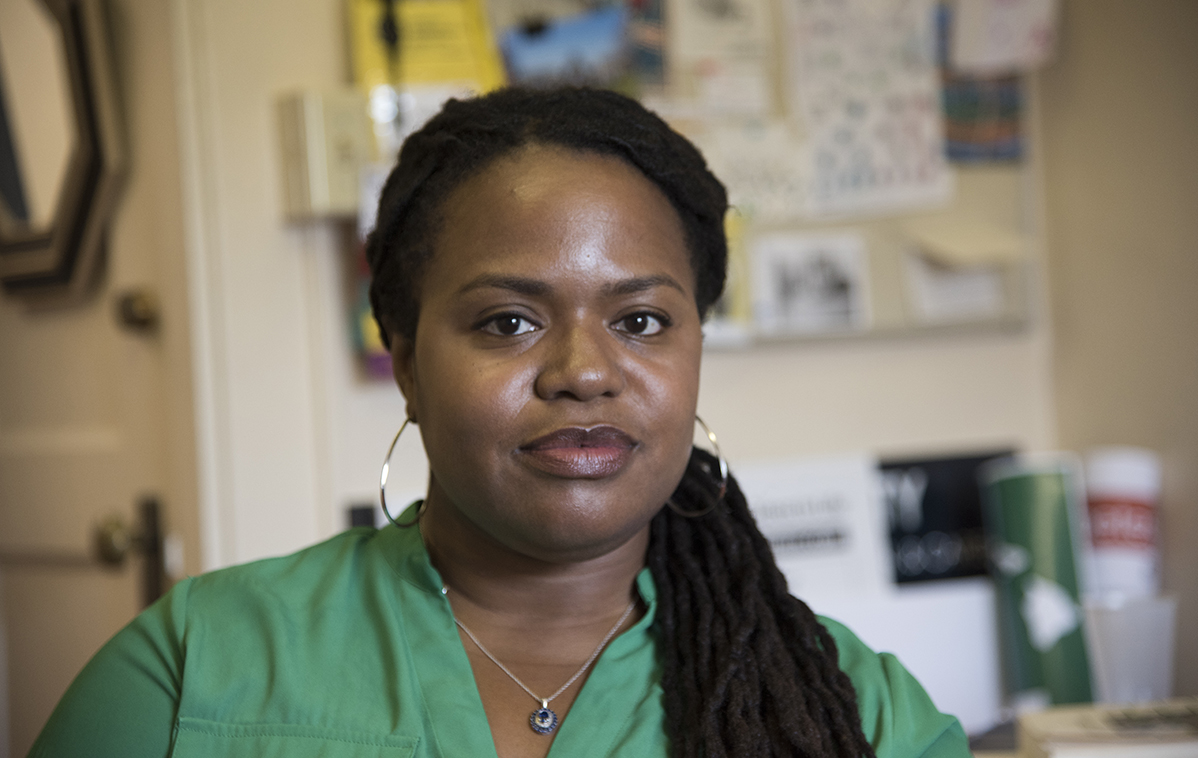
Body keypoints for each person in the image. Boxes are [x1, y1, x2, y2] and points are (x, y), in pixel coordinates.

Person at [30, 87, 970, 758]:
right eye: (508, 322)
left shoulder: (863, 717)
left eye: (640, 320)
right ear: (404, 361)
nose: (583, 372)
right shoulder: (193, 671)